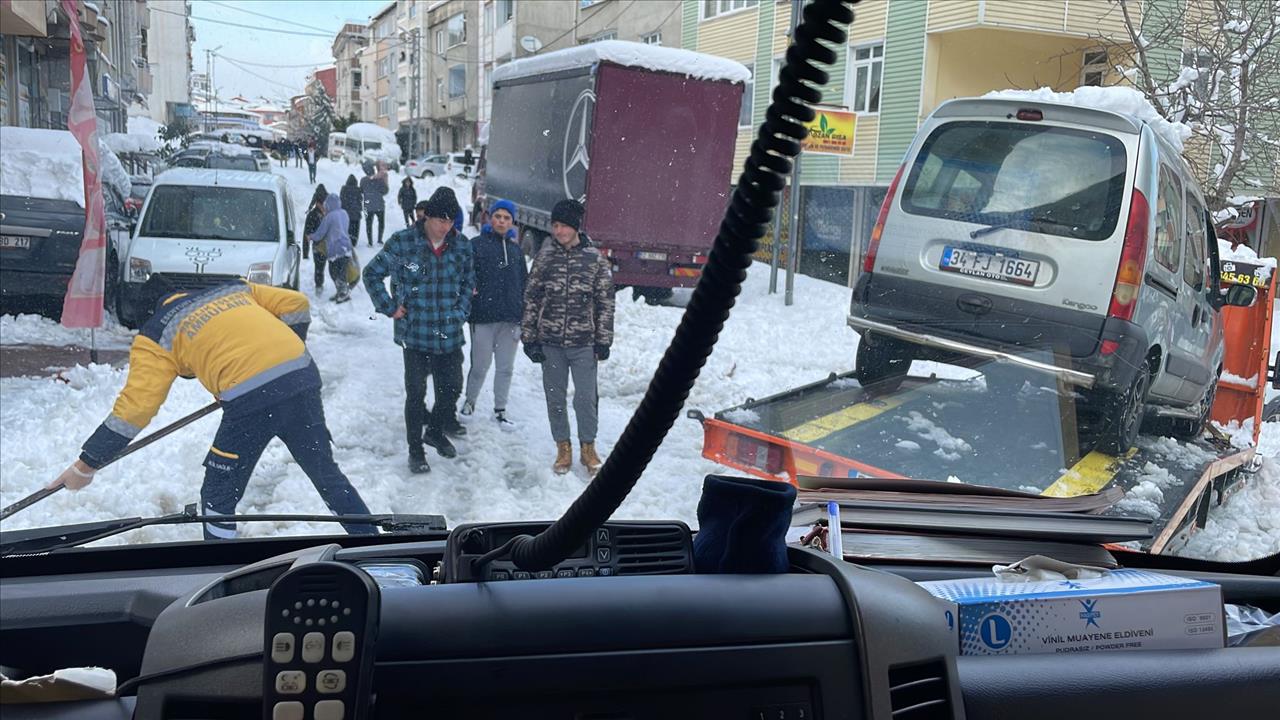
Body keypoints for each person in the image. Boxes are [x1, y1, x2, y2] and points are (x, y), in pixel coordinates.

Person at [50, 280, 377, 539]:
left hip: (251, 402)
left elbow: (135, 409)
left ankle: (222, 574)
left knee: (218, 497)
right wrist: (284, 357)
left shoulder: (156, 334)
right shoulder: (233, 290)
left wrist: (86, 464)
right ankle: (372, 546)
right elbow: (296, 304)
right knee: (326, 473)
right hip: (301, 377)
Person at [363, 187, 474, 474]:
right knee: (416, 394)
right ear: (427, 217)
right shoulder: (403, 243)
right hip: (416, 334)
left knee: (451, 388)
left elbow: (467, 284)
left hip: (449, 333)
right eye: (440, 221)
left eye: (451, 222)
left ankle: (435, 430)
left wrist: (461, 312)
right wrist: (389, 307)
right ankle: (416, 451)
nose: (445, 227)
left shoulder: (461, 246)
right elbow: (371, 273)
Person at [521, 199, 614, 476]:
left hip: (584, 343)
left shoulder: (594, 260)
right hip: (550, 343)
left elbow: (605, 301)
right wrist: (530, 338)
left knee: (585, 399)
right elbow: (531, 298)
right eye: (555, 225)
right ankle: (563, 447)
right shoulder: (545, 258)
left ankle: (588, 447)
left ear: (576, 227)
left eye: (563, 225)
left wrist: (603, 340)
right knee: (555, 398)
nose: (558, 231)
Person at [462, 199, 526, 428]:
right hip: (483, 317)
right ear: (490, 218)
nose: (501, 221)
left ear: (512, 221)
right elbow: (466, 277)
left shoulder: (516, 250)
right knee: (479, 365)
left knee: (506, 368)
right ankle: (469, 402)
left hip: (510, 320)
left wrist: (522, 316)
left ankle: (500, 410)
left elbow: (523, 285)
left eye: (506, 218)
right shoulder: (476, 245)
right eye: (498, 216)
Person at [308, 194, 354, 303]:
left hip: (335, 249)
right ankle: (341, 291)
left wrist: (310, 236)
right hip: (346, 247)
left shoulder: (329, 217)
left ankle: (343, 292)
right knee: (341, 271)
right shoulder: (344, 213)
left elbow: (320, 233)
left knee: (333, 272)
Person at [303, 185, 329, 292]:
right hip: (318, 246)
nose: (324, 206)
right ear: (318, 203)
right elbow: (307, 234)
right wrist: (305, 251)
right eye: (322, 204)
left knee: (334, 267)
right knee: (319, 266)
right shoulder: (312, 215)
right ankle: (319, 284)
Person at [360, 162, 389, 246]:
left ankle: (370, 242)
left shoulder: (363, 180)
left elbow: (361, 190)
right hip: (379, 205)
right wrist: (385, 181)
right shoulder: (379, 179)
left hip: (368, 205)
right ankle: (379, 240)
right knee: (381, 223)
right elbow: (385, 191)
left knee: (369, 224)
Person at [340, 174, 363, 247]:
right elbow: (360, 199)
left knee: (347, 228)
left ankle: (347, 240)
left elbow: (341, 199)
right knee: (355, 228)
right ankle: (354, 241)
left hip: (346, 213)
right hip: (356, 213)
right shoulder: (358, 190)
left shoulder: (344, 189)